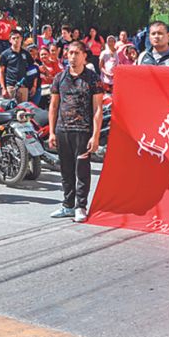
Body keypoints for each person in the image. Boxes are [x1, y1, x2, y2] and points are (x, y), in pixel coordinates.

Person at [48, 41, 103, 223]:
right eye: (70, 53)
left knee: (82, 170)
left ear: (84, 56)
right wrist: (52, 132)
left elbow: (97, 108)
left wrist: (95, 136)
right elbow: (54, 106)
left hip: (83, 130)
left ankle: (81, 206)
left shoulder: (93, 79)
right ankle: (67, 205)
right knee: (66, 170)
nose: (72, 56)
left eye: (76, 53)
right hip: (63, 130)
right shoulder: (59, 78)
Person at [0, 31, 34, 104]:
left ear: (21, 39)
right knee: (10, 111)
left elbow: (33, 68)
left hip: (23, 86)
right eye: (13, 38)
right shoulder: (5, 54)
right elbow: (1, 72)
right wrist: (3, 88)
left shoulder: (26, 53)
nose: (16, 40)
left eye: (18, 38)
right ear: (10, 40)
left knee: (23, 111)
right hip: (10, 87)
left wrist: (34, 86)